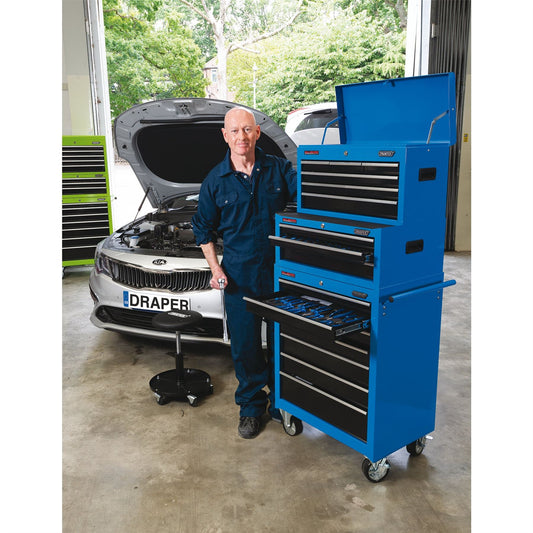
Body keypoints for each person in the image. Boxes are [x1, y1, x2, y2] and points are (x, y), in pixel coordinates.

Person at [192, 106, 297, 439]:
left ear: (258, 133)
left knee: (284, 342)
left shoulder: (280, 169)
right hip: (239, 277)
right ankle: (251, 407)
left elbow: (311, 197)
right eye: (235, 131)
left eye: (248, 130)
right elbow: (202, 229)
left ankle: (283, 403)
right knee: (246, 347)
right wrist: (215, 268)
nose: (242, 137)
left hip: (280, 274)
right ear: (225, 136)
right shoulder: (215, 181)